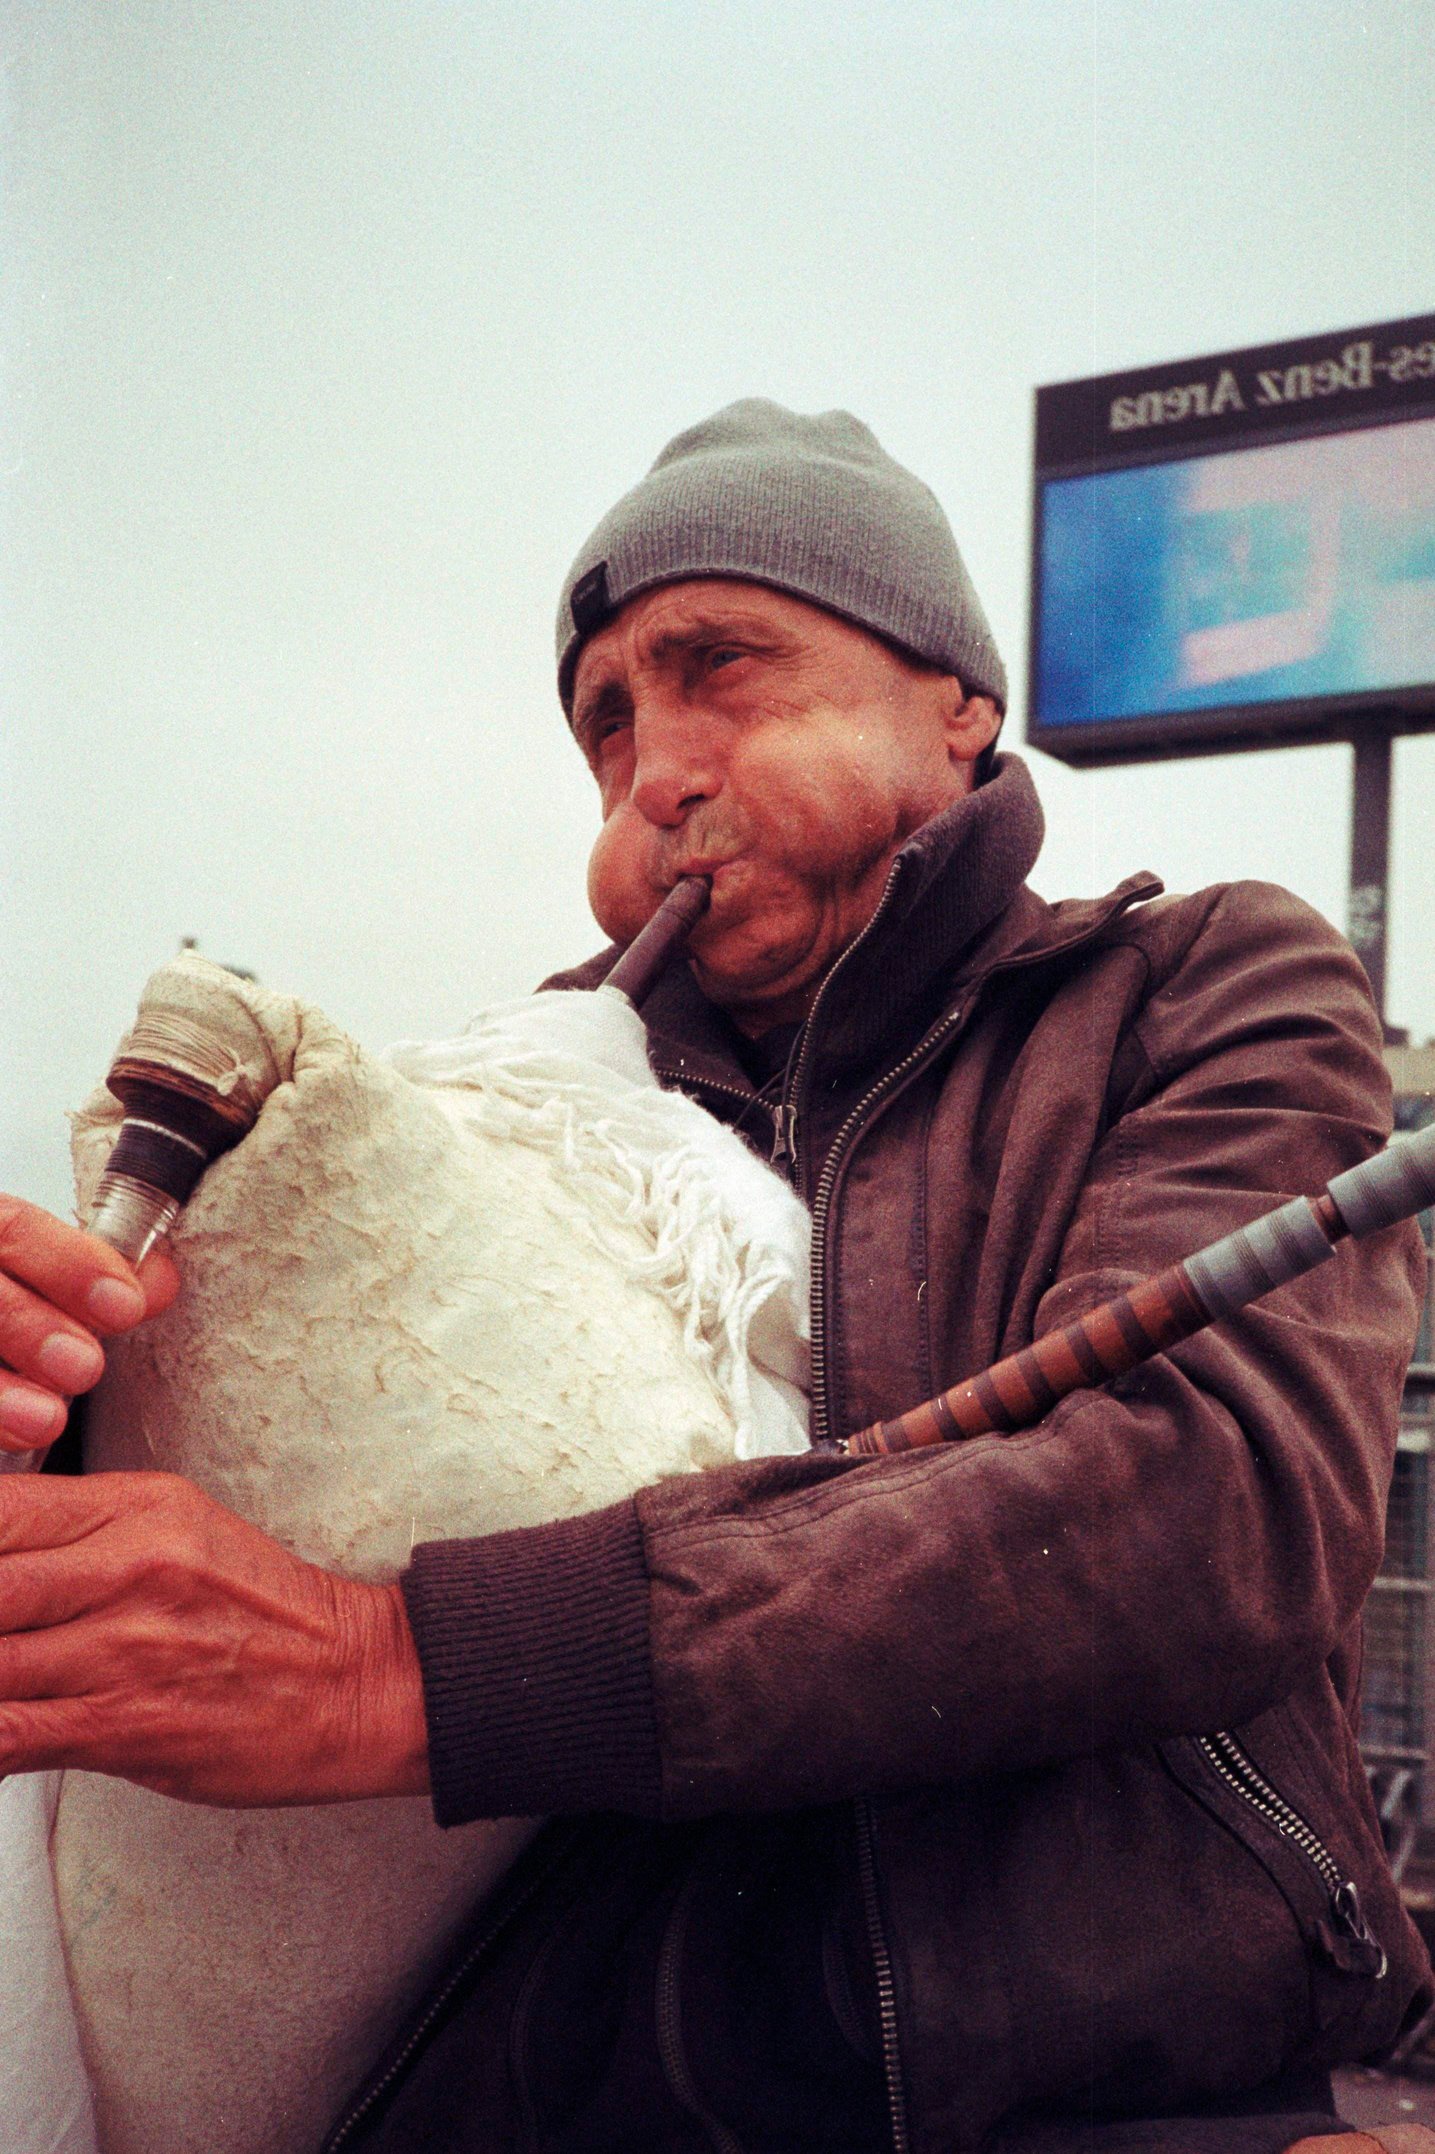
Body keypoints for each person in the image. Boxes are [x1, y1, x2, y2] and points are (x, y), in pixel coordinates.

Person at [0, 399, 1431, 2154]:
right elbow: (367, 1481)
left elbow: (1203, 1503)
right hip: (599, 2098)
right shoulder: (535, 1105)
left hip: (1140, 2084)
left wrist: (403, 1672)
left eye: (722, 668)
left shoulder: (1202, 981)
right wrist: (100, 1414)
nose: (655, 766)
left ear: (956, 699)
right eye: (606, 726)